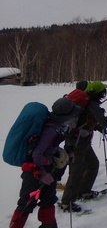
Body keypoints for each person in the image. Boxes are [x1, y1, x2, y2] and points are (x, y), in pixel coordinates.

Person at [10, 97, 82, 228]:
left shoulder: (57, 125)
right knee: (26, 204)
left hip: (49, 168)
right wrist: (43, 174)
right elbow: (37, 153)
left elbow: (49, 148)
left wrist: (64, 153)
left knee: (48, 200)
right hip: (35, 173)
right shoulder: (50, 130)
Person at [59, 80, 107, 212]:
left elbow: (86, 120)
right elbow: (104, 123)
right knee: (76, 171)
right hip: (78, 142)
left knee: (93, 164)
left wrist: (94, 126)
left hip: (81, 140)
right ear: (100, 93)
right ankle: (66, 202)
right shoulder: (92, 105)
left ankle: (83, 191)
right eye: (103, 92)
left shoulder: (87, 103)